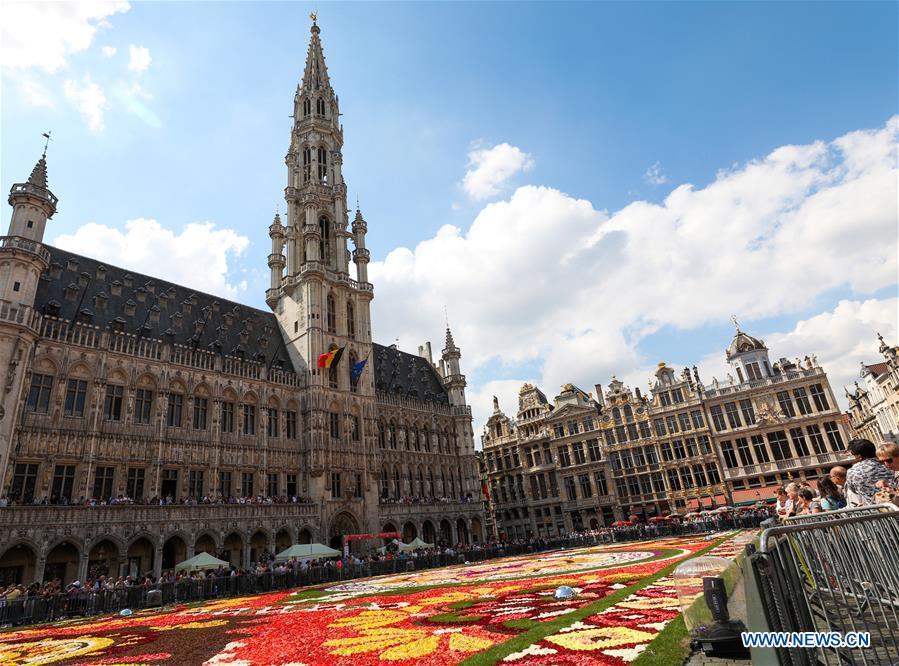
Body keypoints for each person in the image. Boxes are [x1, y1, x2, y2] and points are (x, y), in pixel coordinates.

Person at [845, 439, 894, 506]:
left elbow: (854, 490)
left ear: (859, 456)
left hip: (874, 508)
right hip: (895, 504)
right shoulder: (890, 464)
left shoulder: (852, 471)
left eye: (854, 455)